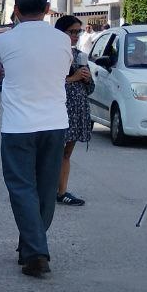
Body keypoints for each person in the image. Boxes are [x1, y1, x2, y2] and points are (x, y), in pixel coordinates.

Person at [0, 0, 71, 277]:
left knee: (22, 188)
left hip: (18, 126)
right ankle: (31, 245)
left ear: (17, 9)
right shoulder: (63, 40)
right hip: (55, 123)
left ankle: (36, 250)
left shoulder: (3, 41)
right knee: (46, 188)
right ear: (48, 9)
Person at [54, 14, 93, 206]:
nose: (76, 35)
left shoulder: (79, 55)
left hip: (77, 112)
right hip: (58, 111)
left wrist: (86, 78)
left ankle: (62, 191)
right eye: (72, 32)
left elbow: (91, 88)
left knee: (66, 154)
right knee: (53, 153)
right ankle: (47, 189)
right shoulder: (53, 55)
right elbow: (48, 85)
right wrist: (73, 78)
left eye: (78, 31)